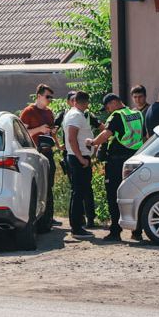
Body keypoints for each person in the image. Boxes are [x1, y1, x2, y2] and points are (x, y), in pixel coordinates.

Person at [87, 93, 145, 242]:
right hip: (135, 160)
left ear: (113, 103)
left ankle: (115, 231)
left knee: (114, 196)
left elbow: (106, 134)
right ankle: (137, 231)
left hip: (116, 163)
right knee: (135, 195)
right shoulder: (137, 114)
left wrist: (93, 142)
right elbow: (145, 136)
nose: (107, 111)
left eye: (107, 107)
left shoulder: (117, 115)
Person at [20, 84, 58, 223]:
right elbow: (23, 135)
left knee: (49, 184)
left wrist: (54, 134)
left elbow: (52, 131)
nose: (49, 99)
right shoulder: (28, 112)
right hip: (35, 153)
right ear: (39, 96)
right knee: (39, 184)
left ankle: (49, 216)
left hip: (48, 152)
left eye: (51, 97)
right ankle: (39, 216)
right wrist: (39, 129)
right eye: (47, 96)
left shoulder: (49, 112)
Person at [63, 91, 96, 237]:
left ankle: (77, 225)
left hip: (80, 157)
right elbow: (71, 138)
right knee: (78, 193)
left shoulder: (74, 114)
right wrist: (81, 158)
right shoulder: (75, 115)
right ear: (85, 102)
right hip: (78, 158)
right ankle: (76, 227)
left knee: (78, 192)